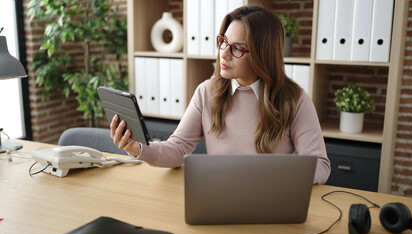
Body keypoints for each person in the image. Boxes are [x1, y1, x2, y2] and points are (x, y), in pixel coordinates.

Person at [110, 5, 331, 184]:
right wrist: (138, 148)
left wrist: (273, 176)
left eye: (236, 48)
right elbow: (177, 149)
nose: (223, 54)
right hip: (218, 195)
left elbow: (321, 165)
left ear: (263, 55)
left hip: (269, 199)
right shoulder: (206, 92)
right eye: (223, 41)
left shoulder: (294, 100)